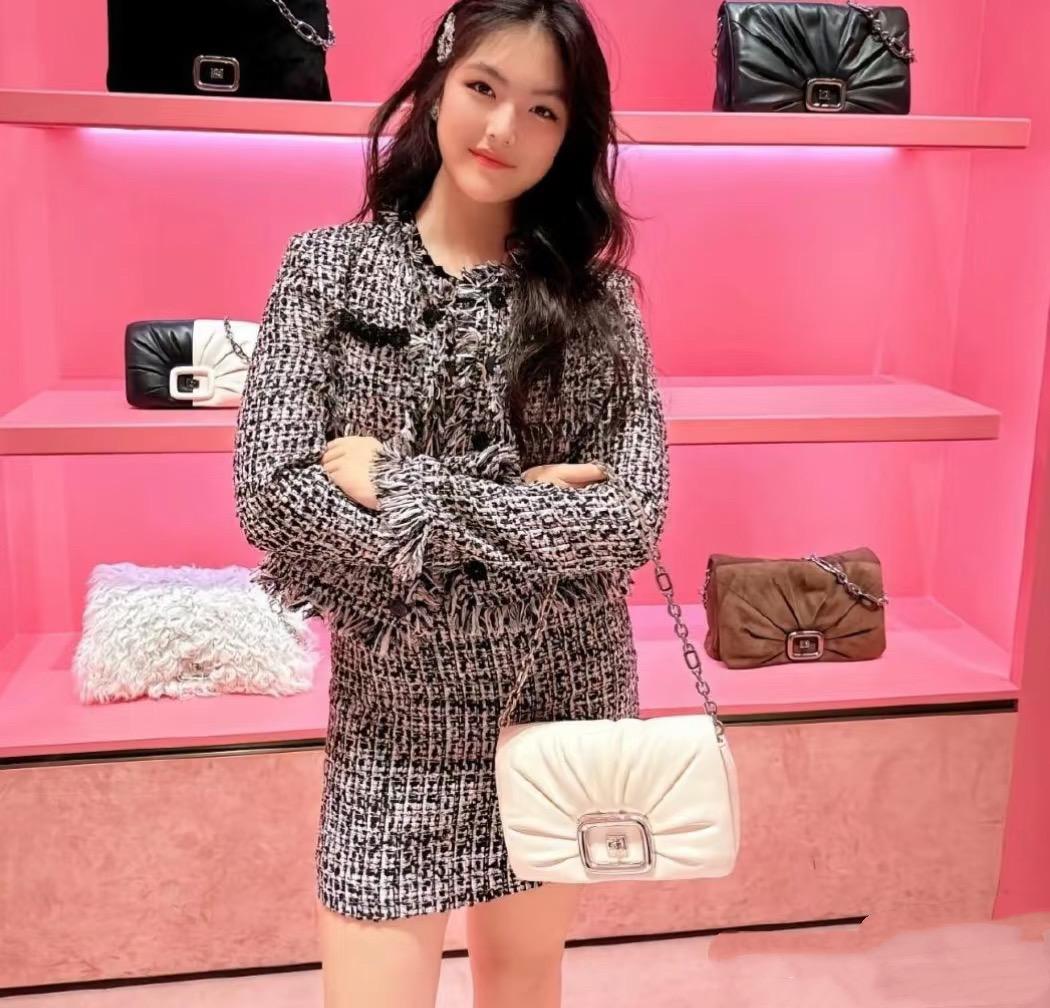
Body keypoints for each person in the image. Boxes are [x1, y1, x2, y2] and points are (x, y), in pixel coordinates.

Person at [232, 1, 670, 1005]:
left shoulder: (600, 304)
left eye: (544, 110)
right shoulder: (326, 270)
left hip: (558, 702)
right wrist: (526, 512)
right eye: (483, 88)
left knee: (525, 980)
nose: (503, 129)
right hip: (394, 720)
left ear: (571, 135)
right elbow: (274, 495)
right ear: (437, 82)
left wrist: (407, 487)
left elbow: (628, 518)